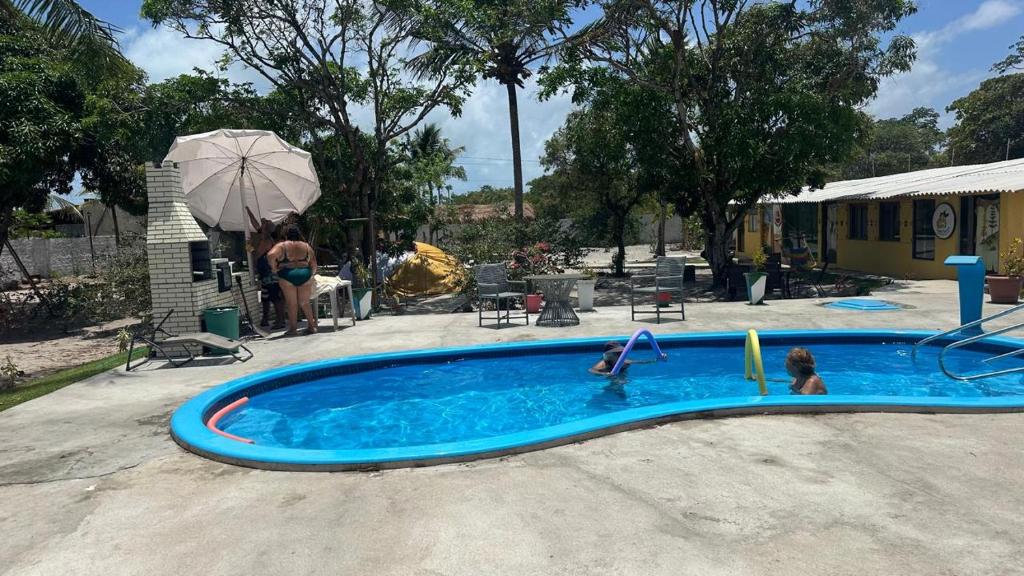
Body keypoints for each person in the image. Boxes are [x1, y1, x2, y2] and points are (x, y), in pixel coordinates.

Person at [268, 224, 318, 335]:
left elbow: (270, 255)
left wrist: (274, 268)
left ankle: (293, 329)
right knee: (305, 302)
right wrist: (311, 274)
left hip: (287, 273)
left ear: (285, 234)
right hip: (304, 273)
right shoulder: (306, 246)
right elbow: (314, 265)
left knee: (292, 303)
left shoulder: (282, 246)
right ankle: (312, 326)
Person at [247, 208, 285, 329]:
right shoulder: (265, 236)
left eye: (265, 223)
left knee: (275, 297)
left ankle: (280, 320)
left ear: (265, 229)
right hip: (266, 274)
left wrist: (249, 248)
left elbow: (257, 255)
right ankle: (265, 319)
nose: (263, 221)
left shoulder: (266, 241)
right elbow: (255, 223)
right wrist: (248, 211)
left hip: (270, 275)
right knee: (265, 297)